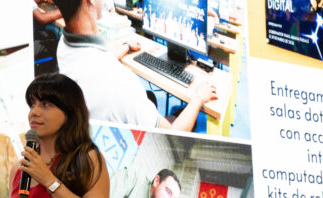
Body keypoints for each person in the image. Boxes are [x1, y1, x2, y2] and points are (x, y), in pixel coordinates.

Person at [52, 0, 217, 132]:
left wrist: (127, 46)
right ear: (89, 2)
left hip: (89, 135)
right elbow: (174, 132)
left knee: (150, 98)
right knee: (180, 117)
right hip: (133, 143)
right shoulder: (121, 82)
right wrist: (198, 98)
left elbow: (96, 62)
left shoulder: (64, 46)